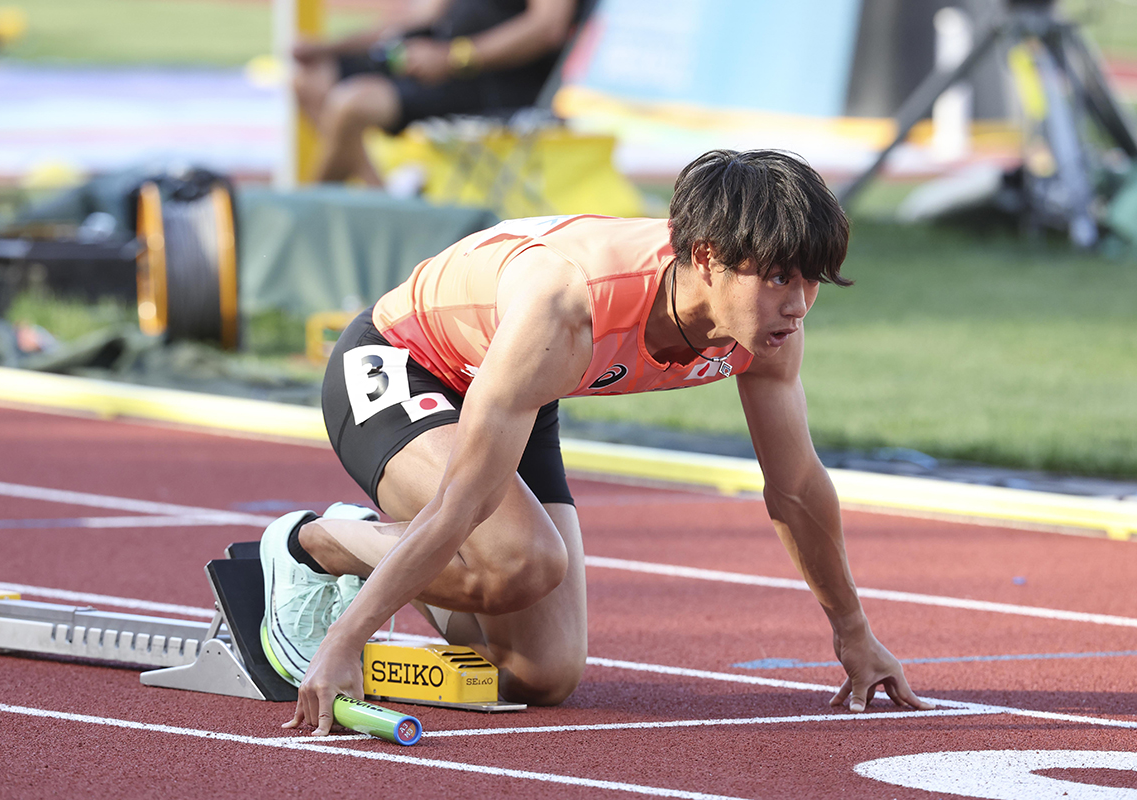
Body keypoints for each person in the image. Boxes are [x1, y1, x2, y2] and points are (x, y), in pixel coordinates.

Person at [259, 149, 935, 736]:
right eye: (780, 277)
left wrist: (853, 631)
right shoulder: (571, 306)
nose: (799, 303)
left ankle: (386, 549)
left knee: (542, 674)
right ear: (707, 257)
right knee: (521, 561)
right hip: (402, 366)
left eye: (812, 278)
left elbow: (795, 487)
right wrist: (345, 644)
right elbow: (463, 502)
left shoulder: (766, 328)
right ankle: (312, 545)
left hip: (518, 388)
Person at [292, 0, 583, 185]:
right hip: (441, 60)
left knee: (352, 105)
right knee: (310, 79)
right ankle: (386, 201)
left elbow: (548, 27)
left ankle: (306, 214)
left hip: (497, 79)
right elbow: (421, 16)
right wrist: (329, 47)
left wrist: (455, 57)